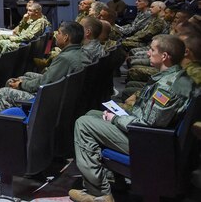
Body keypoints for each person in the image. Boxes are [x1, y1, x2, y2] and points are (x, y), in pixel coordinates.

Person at [70, 34, 194, 202]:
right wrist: (119, 115)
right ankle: (111, 178)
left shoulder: (167, 86)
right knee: (92, 114)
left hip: (149, 144)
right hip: (151, 136)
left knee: (84, 124)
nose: (148, 53)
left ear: (164, 56)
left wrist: (115, 119)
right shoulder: (173, 77)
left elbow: (149, 125)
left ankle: (98, 193)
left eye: (152, 50)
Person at [0, 21, 85, 111]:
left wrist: (22, 84)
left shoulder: (65, 58)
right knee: (23, 76)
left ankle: (12, 122)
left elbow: (45, 82)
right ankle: (16, 114)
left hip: (49, 101)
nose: (56, 36)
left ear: (66, 38)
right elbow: (49, 78)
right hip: (60, 94)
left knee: (3, 92)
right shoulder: (78, 52)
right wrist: (22, 82)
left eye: (58, 33)